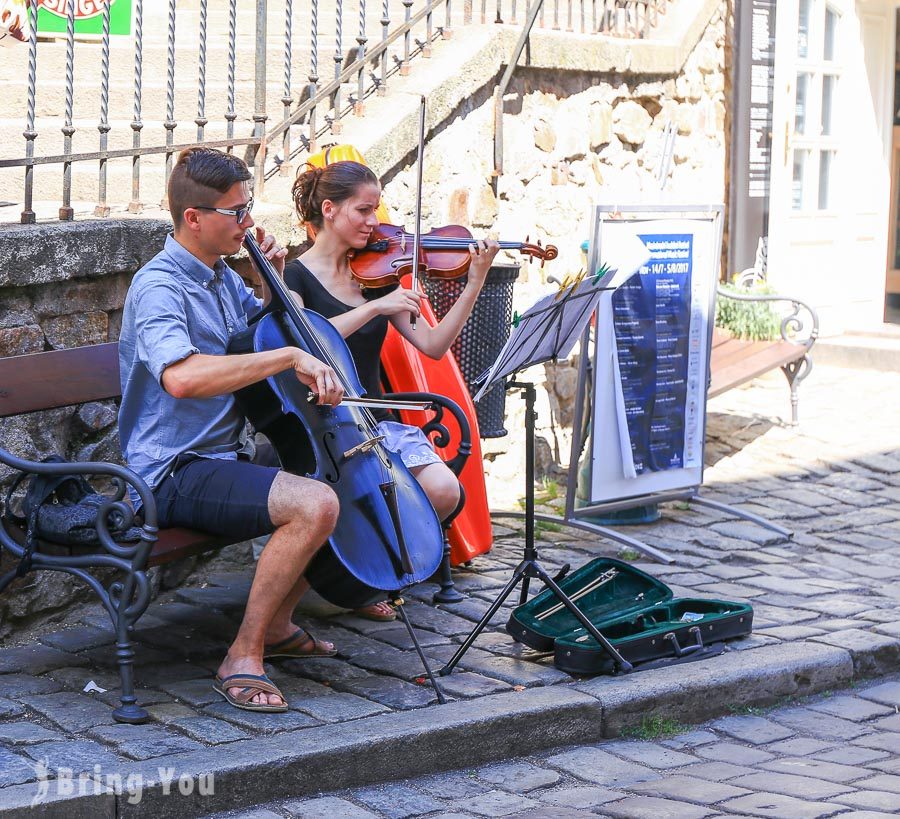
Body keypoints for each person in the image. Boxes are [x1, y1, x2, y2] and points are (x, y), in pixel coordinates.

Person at [118, 147, 346, 713]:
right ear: (193, 218)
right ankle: (241, 655)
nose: (247, 222)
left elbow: (277, 322)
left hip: (226, 455)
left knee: (341, 486)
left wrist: (268, 281)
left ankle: (277, 625)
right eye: (236, 212)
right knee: (313, 504)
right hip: (171, 469)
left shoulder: (221, 274)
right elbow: (183, 378)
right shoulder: (160, 287)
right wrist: (288, 358)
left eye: (248, 209)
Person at [286, 161, 500, 568]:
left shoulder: (376, 275)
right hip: (324, 423)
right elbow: (304, 338)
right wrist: (374, 310)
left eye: (376, 209)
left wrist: (473, 283)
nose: (374, 222)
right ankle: (359, 576)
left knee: (444, 489)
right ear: (329, 209)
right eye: (363, 210)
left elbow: (433, 345)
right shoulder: (294, 277)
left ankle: (374, 566)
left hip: (375, 420)